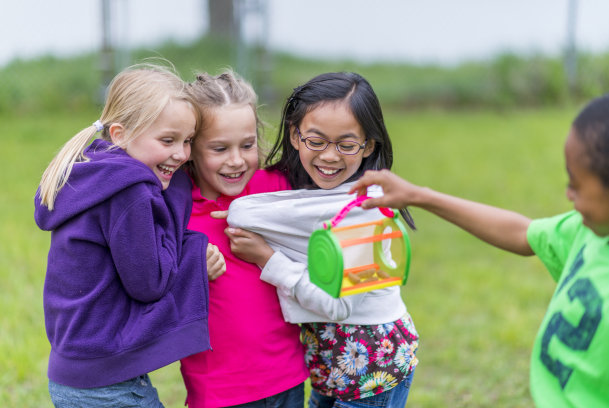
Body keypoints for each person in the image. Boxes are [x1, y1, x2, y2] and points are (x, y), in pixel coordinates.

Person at [348, 93, 609, 408]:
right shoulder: (588, 232)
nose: (568, 194)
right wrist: (419, 196)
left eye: (577, 186)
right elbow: (522, 233)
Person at [224, 72, 420, 408]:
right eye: (316, 141)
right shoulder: (311, 194)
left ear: (368, 145)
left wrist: (267, 258)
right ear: (295, 136)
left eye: (346, 145)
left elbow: (338, 306)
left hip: (373, 370)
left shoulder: (366, 207)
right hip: (330, 363)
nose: (329, 157)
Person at [34, 63, 218, 408]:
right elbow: (151, 283)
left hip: (74, 374)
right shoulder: (129, 192)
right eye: (168, 140)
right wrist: (191, 237)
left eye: (188, 141)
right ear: (119, 133)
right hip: (107, 384)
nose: (181, 154)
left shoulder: (95, 173)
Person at [179, 70, 309, 408]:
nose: (236, 161)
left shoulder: (277, 188)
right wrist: (192, 271)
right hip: (218, 391)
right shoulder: (176, 211)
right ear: (190, 148)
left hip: (288, 377)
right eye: (219, 148)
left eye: (247, 145)